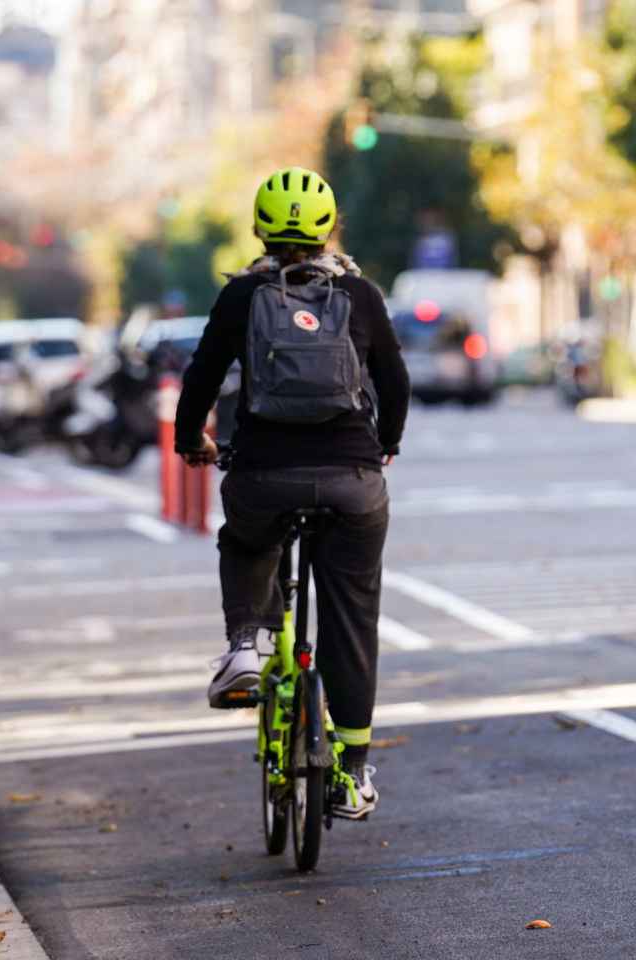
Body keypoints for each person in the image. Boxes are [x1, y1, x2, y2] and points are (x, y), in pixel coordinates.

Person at [174, 166, 409, 820]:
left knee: (246, 539)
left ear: (260, 228)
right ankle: (353, 771)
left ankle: (247, 644)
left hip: (262, 473)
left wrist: (190, 438)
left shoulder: (242, 297)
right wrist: (385, 441)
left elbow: (200, 378)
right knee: (352, 617)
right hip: (352, 480)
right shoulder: (360, 295)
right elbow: (394, 379)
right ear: (328, 228)